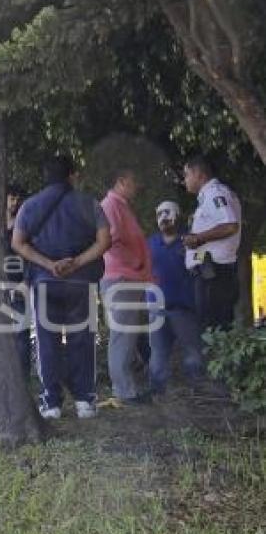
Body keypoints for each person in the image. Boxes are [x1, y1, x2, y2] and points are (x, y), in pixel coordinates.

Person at [12, 156, 111, 420]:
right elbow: (104, 241)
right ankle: (84, 401)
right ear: (71, 176)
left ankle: (51, 402)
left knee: (47, 341)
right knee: (82, 338)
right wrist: (77, 262)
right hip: (80, 282)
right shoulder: (89, 203)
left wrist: (48, 264)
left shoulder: (29, 206)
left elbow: (18, 243)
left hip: (44, 282)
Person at [99, 168, 153, 404]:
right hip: (121, 277)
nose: (138, 185)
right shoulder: (111, 206)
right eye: (134, 181)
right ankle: (124, 391)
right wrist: (136, 261)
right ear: (120, 181)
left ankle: (128, 387)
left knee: (127, 335)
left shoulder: (121, 206)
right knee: (123, 335)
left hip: (128, 278)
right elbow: (111, 241)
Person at [146, 201, 206, 397]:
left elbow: (200, 272)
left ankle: (198, 391)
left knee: (193, 352)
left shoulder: (190, 242)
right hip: (156, 309)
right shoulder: (150, 243)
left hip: (183, 308)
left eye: (167, 212)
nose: (163, 217)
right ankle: (157, 394)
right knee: (158, 353)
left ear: (177, 215)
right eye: (159, 214)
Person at [181, 155, 242, 331]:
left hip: (214, 274)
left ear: (199, 174)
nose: (184, 180)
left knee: (212, 331)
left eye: (186, 175)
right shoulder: (209, 196)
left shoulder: (215, 193)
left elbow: (230, 225)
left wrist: (198, 238)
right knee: (212, 331)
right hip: (211, 273)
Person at [4, 184, 33, 377]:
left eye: (18, 199)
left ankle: (22, 377)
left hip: (20, 285)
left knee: (21, 332)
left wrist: (27, 281)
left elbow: (33, 255)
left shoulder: (25, 226)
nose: (15, 203)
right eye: (12, 198)